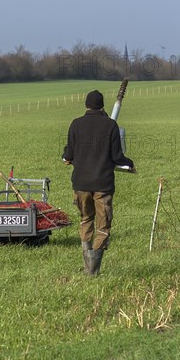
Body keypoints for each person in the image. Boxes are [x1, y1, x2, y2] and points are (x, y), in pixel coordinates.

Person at [62, 90, 134, 276]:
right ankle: (93, 270)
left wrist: (67, 157)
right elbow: (117, 156)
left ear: (86, 105)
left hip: (80, 184)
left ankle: (87, 264)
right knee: (103, 227)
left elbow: (68, 154)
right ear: (102, 105)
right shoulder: (111, 126)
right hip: (103, 184)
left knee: (86, 219)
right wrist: (130, 164)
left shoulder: (76, 124)